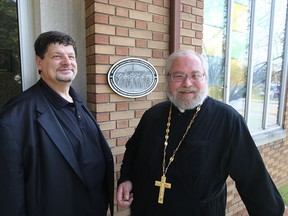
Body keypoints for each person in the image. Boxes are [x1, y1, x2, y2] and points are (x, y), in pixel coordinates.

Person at [116, 49, 285, 215]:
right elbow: (133, 150)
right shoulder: (153, 115)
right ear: (167, 79)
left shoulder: (227, 120)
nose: (187, 83)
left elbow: (252, 177)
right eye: (178, 76)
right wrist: (126, 178)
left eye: (196, 75)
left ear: (205, 78)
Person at [0, 31, 114, 216]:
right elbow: (9, 192)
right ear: (39, 62)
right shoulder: (14, 117)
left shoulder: (79, 103)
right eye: (57, 56)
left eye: (71, 56)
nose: (67, 62)